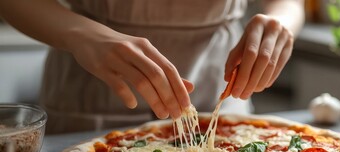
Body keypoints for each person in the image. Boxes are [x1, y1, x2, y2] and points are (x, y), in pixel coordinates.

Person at [0, 0, 305, 134]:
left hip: (218, 93)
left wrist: (281, 21)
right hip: (92, 89)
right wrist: (82, 35)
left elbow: (289, 1)